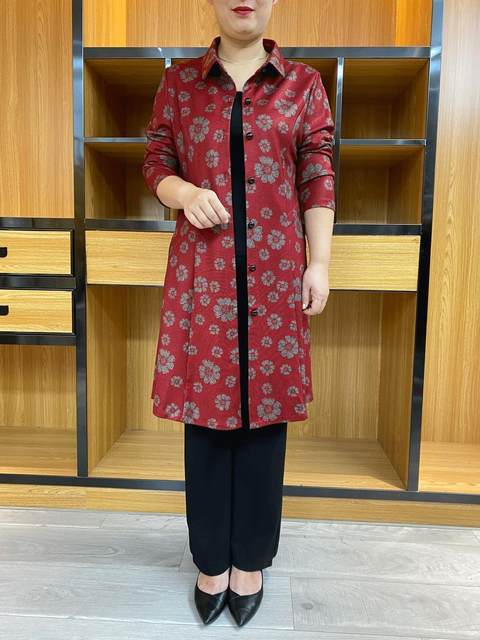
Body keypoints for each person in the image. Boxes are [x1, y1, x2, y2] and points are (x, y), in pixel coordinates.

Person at [142, 0, 335, 627]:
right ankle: (210, 560)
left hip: (276, 274)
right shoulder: (179, 83)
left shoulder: (303, 85)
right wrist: (183, 192)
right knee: (206, 413)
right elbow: (156, 160)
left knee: (265, 414)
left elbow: (317, 173)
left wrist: (319, 262)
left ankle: (250, 558)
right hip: (204, 273)